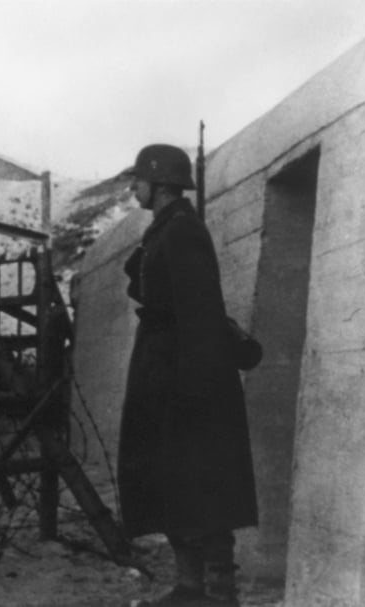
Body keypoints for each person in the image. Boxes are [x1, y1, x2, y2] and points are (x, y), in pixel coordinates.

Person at [118, 144, 258, 607]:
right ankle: (189, 585)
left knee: (201, 477)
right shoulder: (164, 230)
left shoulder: (181, 232)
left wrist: (197, 385)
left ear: (159, 184)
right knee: (169, 477)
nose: (132, 187)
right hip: (164, 366)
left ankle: (220, 592)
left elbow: (200, 310)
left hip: (185, 372)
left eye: (138, 180)